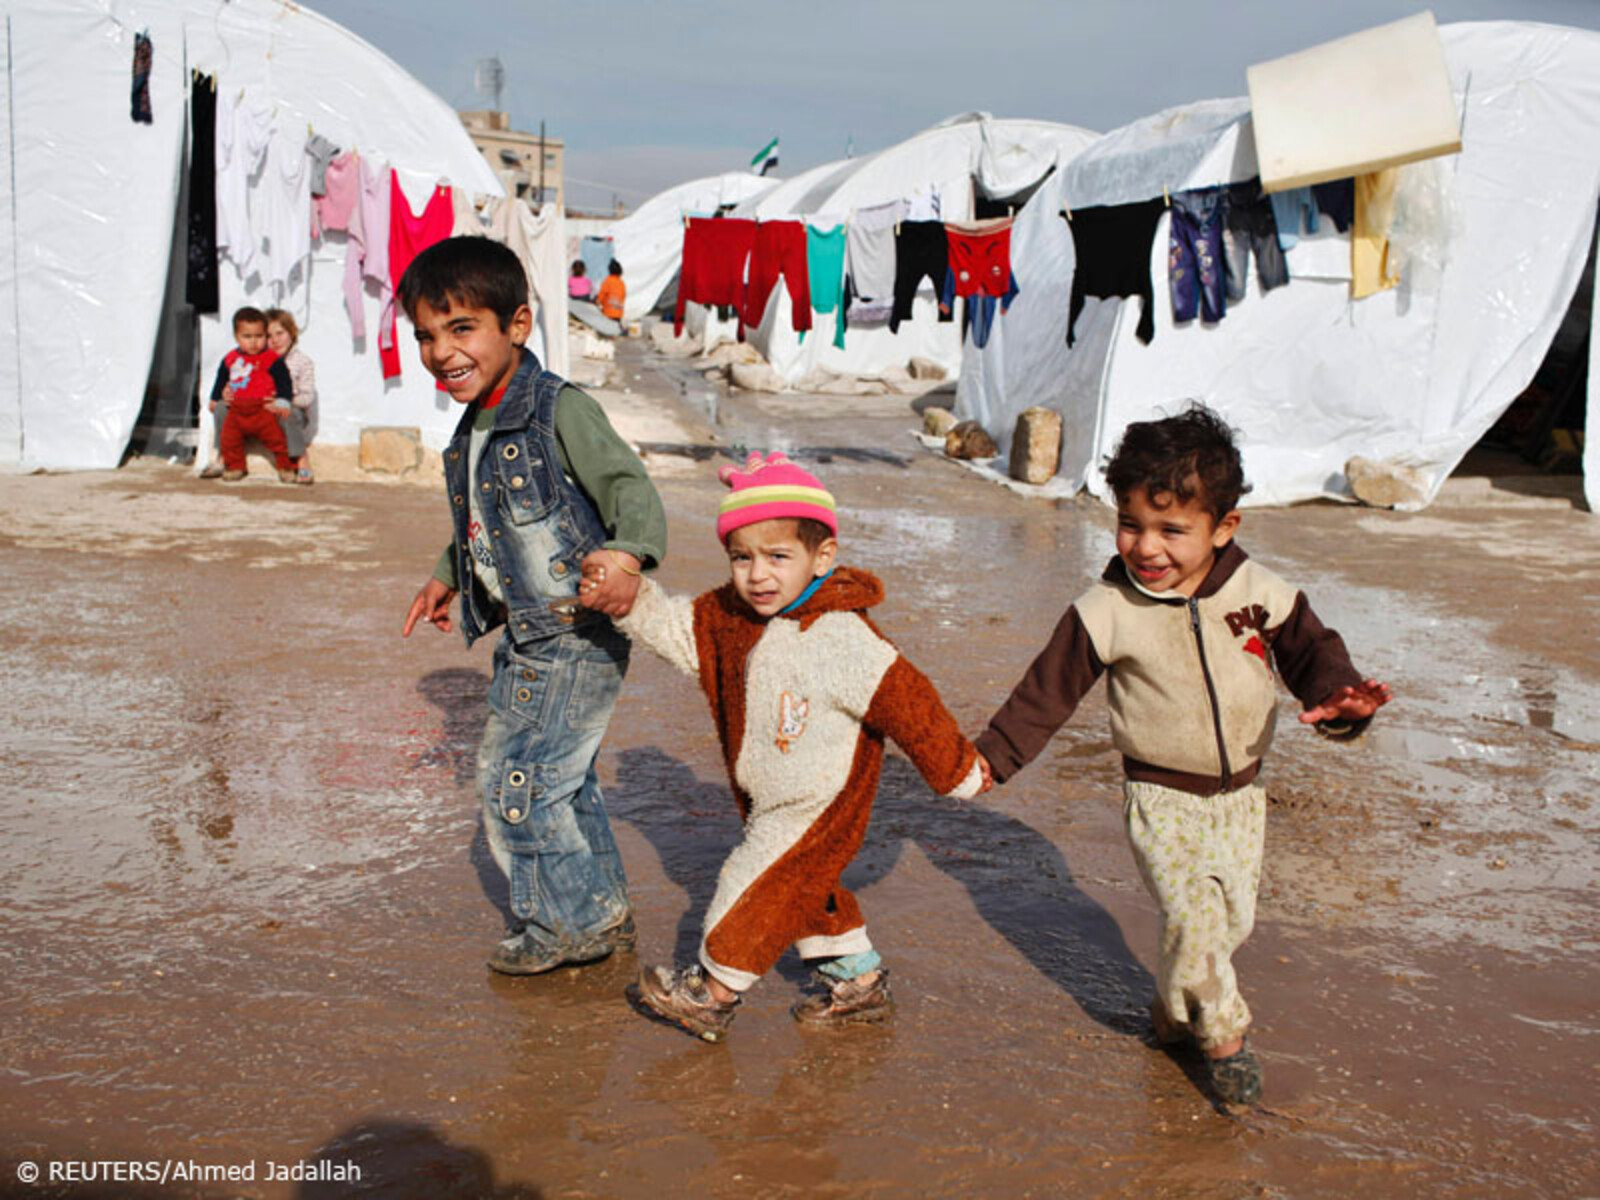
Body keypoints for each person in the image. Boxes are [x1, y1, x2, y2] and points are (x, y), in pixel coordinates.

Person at [973, 404, 1390, 1105]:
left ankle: (1174, 1010)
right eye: (1131, 524)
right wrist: (992, 758)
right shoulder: (1105, 611)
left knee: (1228, 924)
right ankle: (1224, 1036)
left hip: (1242, 797)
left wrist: (1342, 700)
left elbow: (1314, 657)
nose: (1147, 547)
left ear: (1223, 527)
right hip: (1160, 795)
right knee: (1194, 919)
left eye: (1172, 530)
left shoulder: (1262, 596)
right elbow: (1044, 694)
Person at [589, 451, 989, 1042]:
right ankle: (859, 984)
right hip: (766, 796)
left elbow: (911, 703)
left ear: (822, 557)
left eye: (779, 557)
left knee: (752, 886)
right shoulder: (731, 618)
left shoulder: (845, 636)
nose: (758, 576)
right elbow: (680, 631)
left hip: (817, 803)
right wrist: (632, 601)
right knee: (804, 893)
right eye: (742, 558)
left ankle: (712, 993)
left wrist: (959, 771)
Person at [398, 237, 667, 976]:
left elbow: (629, 488)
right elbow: (483, 521)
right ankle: (598, 913)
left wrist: (629, 554)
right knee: (562, 780)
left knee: (515, 780)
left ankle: (565, 924)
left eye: (461, 329)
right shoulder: (474, 426)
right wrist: (446, 574)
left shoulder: (558, 410)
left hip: (574, 630)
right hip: (528, 631)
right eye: (425, 334)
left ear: (517, 324)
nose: (440, 351)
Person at [203, 306, 296, 483]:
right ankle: (235, 467)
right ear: (236, 336)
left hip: (262, 411)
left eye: (259, 336)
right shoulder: (230, 358)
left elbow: (285, 381)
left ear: (265, 335)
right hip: (237, 411)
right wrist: (215, 398)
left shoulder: (271, 359)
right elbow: (221, 378)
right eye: (247, 337)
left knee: (277, 441)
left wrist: (283, 400)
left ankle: (285, 467)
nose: (253, 342)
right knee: (230, 440)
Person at [264, 308, 317, 485]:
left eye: (280, 333)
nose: (275, 340)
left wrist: (285, 401)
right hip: (264, 410)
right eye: (269, 336)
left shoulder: (303, 362)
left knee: (290, 412)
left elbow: (307, 397)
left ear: (291, 333)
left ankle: (302, 459)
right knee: (225, 407)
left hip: (291, 412)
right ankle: (224, 458)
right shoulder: (260, 360)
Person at [596, 259, 626, 326]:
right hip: (619, 313)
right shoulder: (621, 282)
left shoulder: (607, 281)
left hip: (608, 313)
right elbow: (623, 296)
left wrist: (597, 302)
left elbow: (602, 294)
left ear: (609, 270)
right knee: (616, 326)